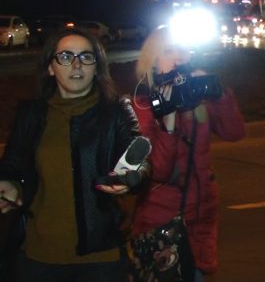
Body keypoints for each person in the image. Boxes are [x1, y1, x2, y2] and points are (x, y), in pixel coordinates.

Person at [0, 28, 147, 282]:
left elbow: (140, 160)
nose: (77, 64)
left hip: (100, 259)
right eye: (66, 56)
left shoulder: (116, 112)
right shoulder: (31, 115)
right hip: (37, 256)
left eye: (86, 57)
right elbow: (11, 166)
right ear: (50, 67)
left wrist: (132, 177)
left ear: (96, 67)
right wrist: (11, 184)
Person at [130, 26, 245, 280]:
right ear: (153, 60)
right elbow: (158, 170)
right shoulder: (143, 104)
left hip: (202, 216)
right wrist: (168, 121)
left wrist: (218, 93)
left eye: (183, 49)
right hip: (162, 219)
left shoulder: (198, 98)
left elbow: (234, 132)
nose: (178, 56)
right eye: (168, 51)